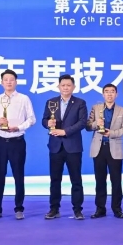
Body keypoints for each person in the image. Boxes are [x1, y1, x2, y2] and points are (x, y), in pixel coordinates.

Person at [0, 69, 36, 220]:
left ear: (16, 82)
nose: (9, 82)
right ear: (1, 82)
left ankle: (19, 208)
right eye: (6, 80)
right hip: (0, 142)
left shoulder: (24, 99)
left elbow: (32, 119)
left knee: (18, 175)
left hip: (17, 142)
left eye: (11, 79)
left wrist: (19, 127)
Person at [43, 74, 88, 221]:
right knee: (55, 180)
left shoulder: (80, 103)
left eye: (69, 85)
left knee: (76, 180)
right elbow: (44, 120)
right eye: (63, 85)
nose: (66, 87)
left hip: (73, 146)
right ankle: (54, 209)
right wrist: (48, 123)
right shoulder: (51, 102)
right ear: (58, 86)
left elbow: (82, 122)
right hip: (55, 146)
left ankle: (77, 210)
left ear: (73, 87)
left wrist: (65, 131)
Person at [86, 84, 123, 219]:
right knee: (100, 181)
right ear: (103, 94)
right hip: (99, 148)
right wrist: (96, 124)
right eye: (107, 92)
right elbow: (88, 126)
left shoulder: (122, 110)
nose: (109, 94)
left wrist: (112, 133)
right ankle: (100, 209)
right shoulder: (96, 108)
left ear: (116, 94)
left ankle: (117, 209)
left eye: (112, 92)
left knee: (116, 181)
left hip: (115, 148)